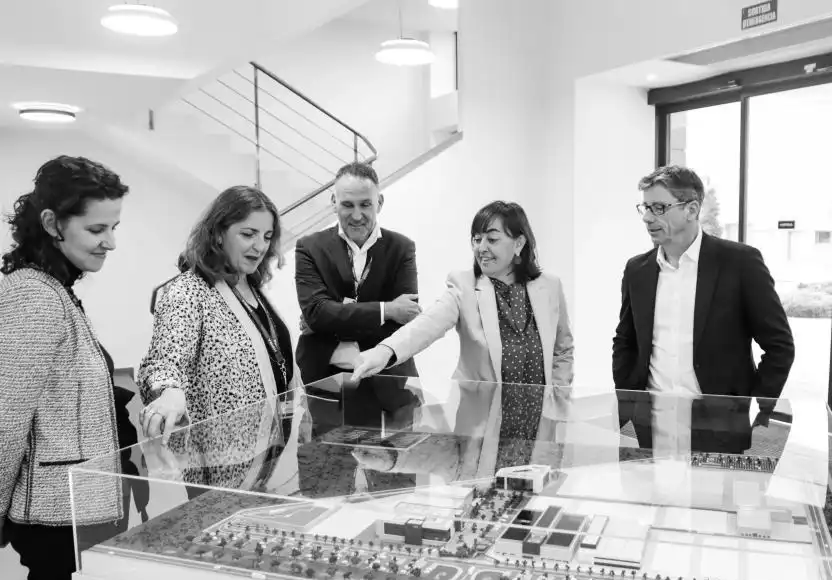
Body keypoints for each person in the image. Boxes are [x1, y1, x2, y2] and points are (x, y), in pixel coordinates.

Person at [0, 155, 129, 580]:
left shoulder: (55, 289)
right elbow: (6, 418)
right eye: (98, 228)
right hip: (58, 517)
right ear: (53, 223)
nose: (111, 242)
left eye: (114, 227)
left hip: (81, 509)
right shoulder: (33, 296)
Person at [352, 200, 574, 464]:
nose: (481, 248)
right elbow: (427, 324)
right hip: (483, 428)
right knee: (483, 498)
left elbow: (562, 349)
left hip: (539, 424)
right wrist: (384, 351)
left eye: (492, 239)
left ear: (519, 243)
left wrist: (558, 399)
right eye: (476, 239)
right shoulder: (464, 285)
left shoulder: (549, 286)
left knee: (531, 498)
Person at [138, 186, 295, 495]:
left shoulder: (250, 287)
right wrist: (168, 392)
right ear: (219, 233)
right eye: (248, 233)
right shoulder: (189, 291)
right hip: (219, 470)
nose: (260, 245)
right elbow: (164, 360)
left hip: (267, 457)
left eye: (267, 236)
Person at [612, 165, 794, 432]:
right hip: (650, 419)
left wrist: (753, 404)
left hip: (720, 423)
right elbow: (625, 339)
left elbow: (779, 345)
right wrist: (628, 398)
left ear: (692, 209)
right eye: (645, 208)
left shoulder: (740, 262)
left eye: (659, 208)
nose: (647, 218)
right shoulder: (636, 269)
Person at [295, 161, 421, 384]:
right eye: (347, 205)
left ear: (379, 203)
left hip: (388, 381)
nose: (356, 215)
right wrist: (387, 309)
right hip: (323, 378)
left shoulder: (402, 248)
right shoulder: (309, 247)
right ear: (334, 203)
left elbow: (405, 319)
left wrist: (334, 315)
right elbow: (317, 313)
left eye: (365, 204)